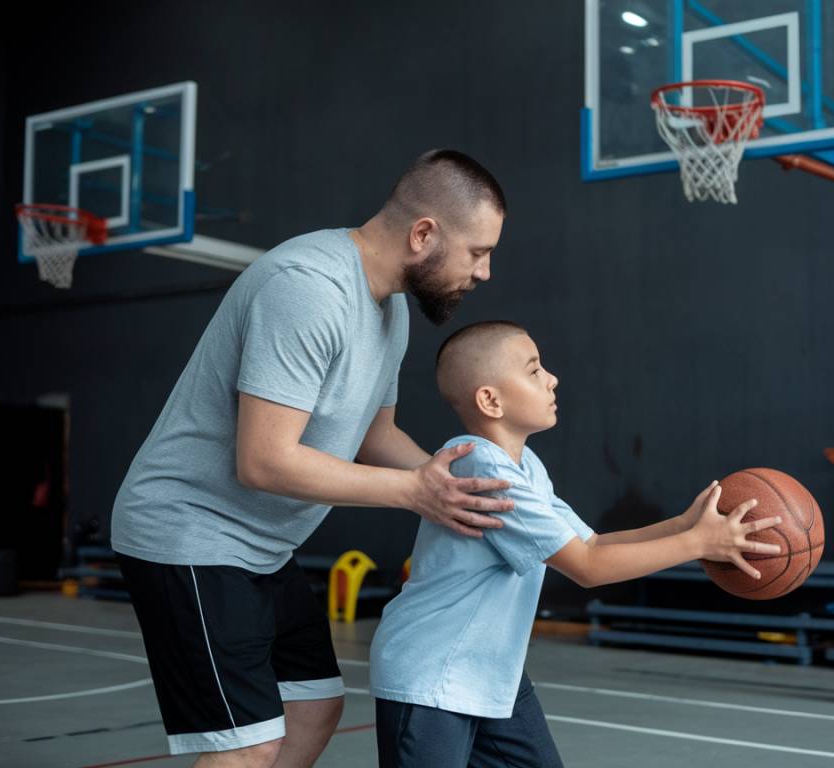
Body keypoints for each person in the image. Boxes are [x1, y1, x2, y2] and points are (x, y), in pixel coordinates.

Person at [110, 150, 515, 767]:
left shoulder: (391, 310)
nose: (484, 272)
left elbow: (375, 437)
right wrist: (416, 493)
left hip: (262, 546)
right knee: (248, 746)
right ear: (424, 234)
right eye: (478, 252)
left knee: (314, 706)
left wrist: (463, 481)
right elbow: (265, 461)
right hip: (189, 532)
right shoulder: (307, 288)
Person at [370, 321, 783, 767]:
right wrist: (699, 543)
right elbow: (587, 567)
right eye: (533, 371)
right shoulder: (483, 472)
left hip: (487, 671)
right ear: (490, 400)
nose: (552, 378)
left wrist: (684, 527)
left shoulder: (523, 464)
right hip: (432, 673)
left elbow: (593, 542)